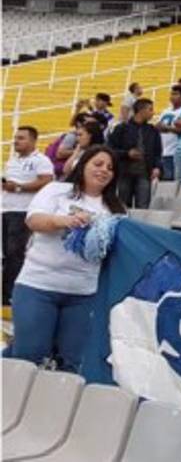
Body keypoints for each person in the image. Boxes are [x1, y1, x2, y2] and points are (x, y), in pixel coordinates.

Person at [9, 145, 126, 371]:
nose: (104, 170)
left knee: (71, 362)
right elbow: (33, 221)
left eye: (110, 168)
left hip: (83, 294)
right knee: (28, 356)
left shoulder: (117, 209)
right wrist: (65, 221)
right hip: (38, 285)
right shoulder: (56, 190)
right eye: (98, 164)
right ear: (83, 165)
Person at [2, 126, 56, 305]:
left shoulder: (41, 160)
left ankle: (12, 293)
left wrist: (19, 187)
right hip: (6, 209)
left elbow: (46, 181)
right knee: (6, 253)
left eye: (21, 138)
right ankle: (6, 291)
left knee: (15, 252)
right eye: (16, 138)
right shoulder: (12, 161)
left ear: (33, 140)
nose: (16, 141)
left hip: (23, 210)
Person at [106, 99, 163, 209]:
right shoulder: (121, 128)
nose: (153, 113)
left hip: (145, 173)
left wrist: (157, 167)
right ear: (141, 110)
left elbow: (157, 152)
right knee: (123, 206)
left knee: (143, 207)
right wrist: (127, 154)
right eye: (150, 109)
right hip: (124, 173)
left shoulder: (153, 130)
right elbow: (109, 149)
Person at [156, 85, 181, 181]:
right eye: (171, 94)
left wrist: (168, 128)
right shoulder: (165, 111)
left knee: (171, 179)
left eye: (175, 94)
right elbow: (158, 125)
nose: (172, 96)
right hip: (162, 150)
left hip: (175, 151)